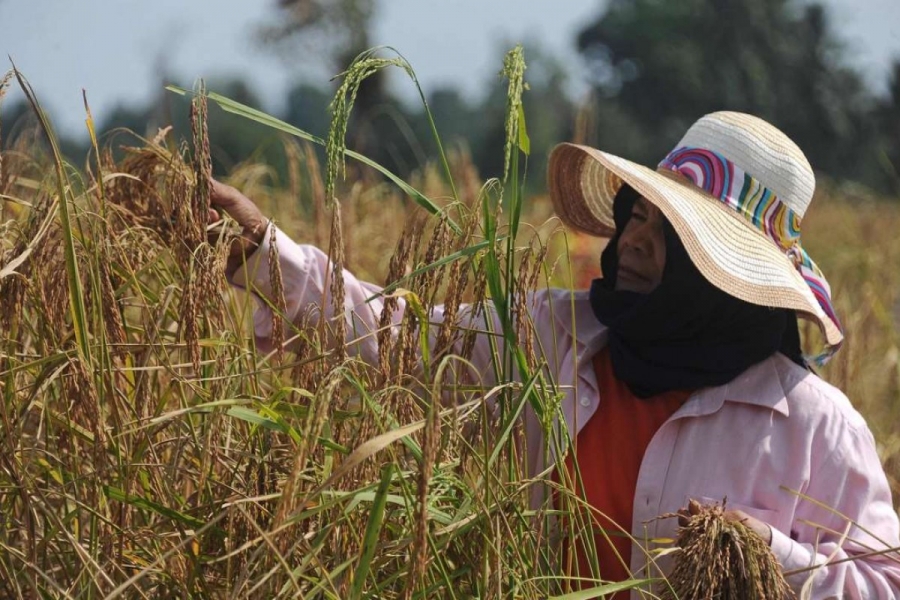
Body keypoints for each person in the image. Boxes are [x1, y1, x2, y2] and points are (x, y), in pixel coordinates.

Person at [207, 111, 900, 598]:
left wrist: (762, 560)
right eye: (638, 214)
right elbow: (394, 335)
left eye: (669, 234)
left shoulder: (812, 426)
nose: (630, 239)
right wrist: (266, 256)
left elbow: (883, 583)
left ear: (721, 275)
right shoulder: (546, 339)